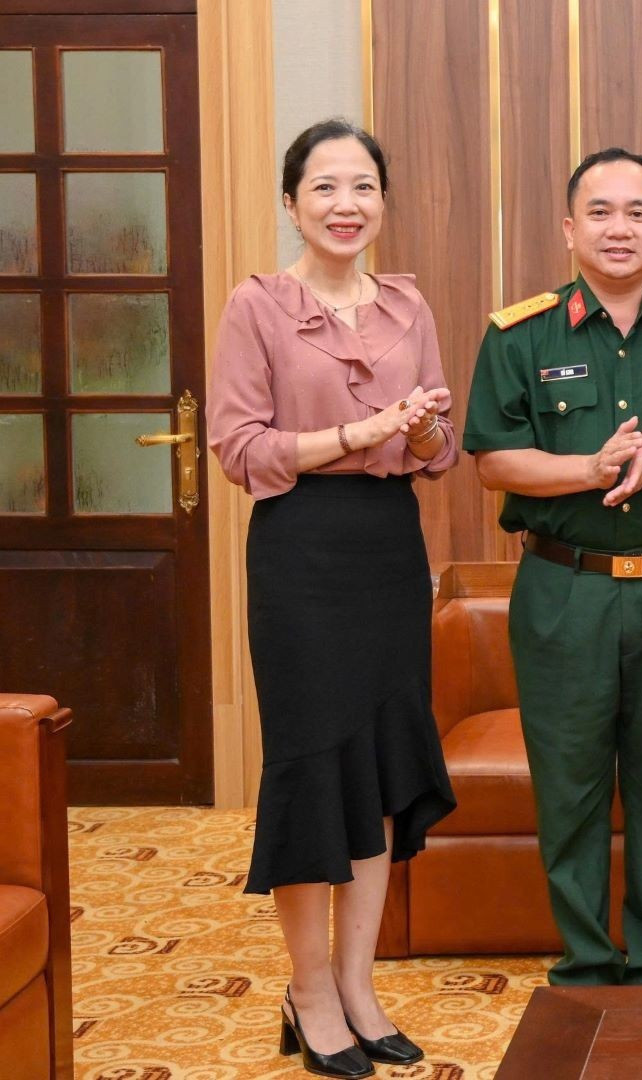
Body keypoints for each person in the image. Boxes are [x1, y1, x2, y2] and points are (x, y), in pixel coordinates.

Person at [460, 147, 642, 985]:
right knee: (572, 786)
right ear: (568, 228)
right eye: (599, 212)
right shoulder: (519, 333)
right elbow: (495, 461)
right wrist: (591, 469)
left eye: (636, 213)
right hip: (564, 586)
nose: (618, 228)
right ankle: (586, 964)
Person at [207, 118, 458, 1078]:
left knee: (382, 771)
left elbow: (434, 450)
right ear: (291, 203)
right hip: (301, 551)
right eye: (324, 188)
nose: (345, 205)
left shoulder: (408, 304)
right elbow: (241, 451)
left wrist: (424, 433)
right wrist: (362, 433)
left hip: (389, 549)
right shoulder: (257, 306)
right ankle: (307, 989)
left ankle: (359, 986)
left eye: (362, 187)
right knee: (315, 769)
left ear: (382, 202)